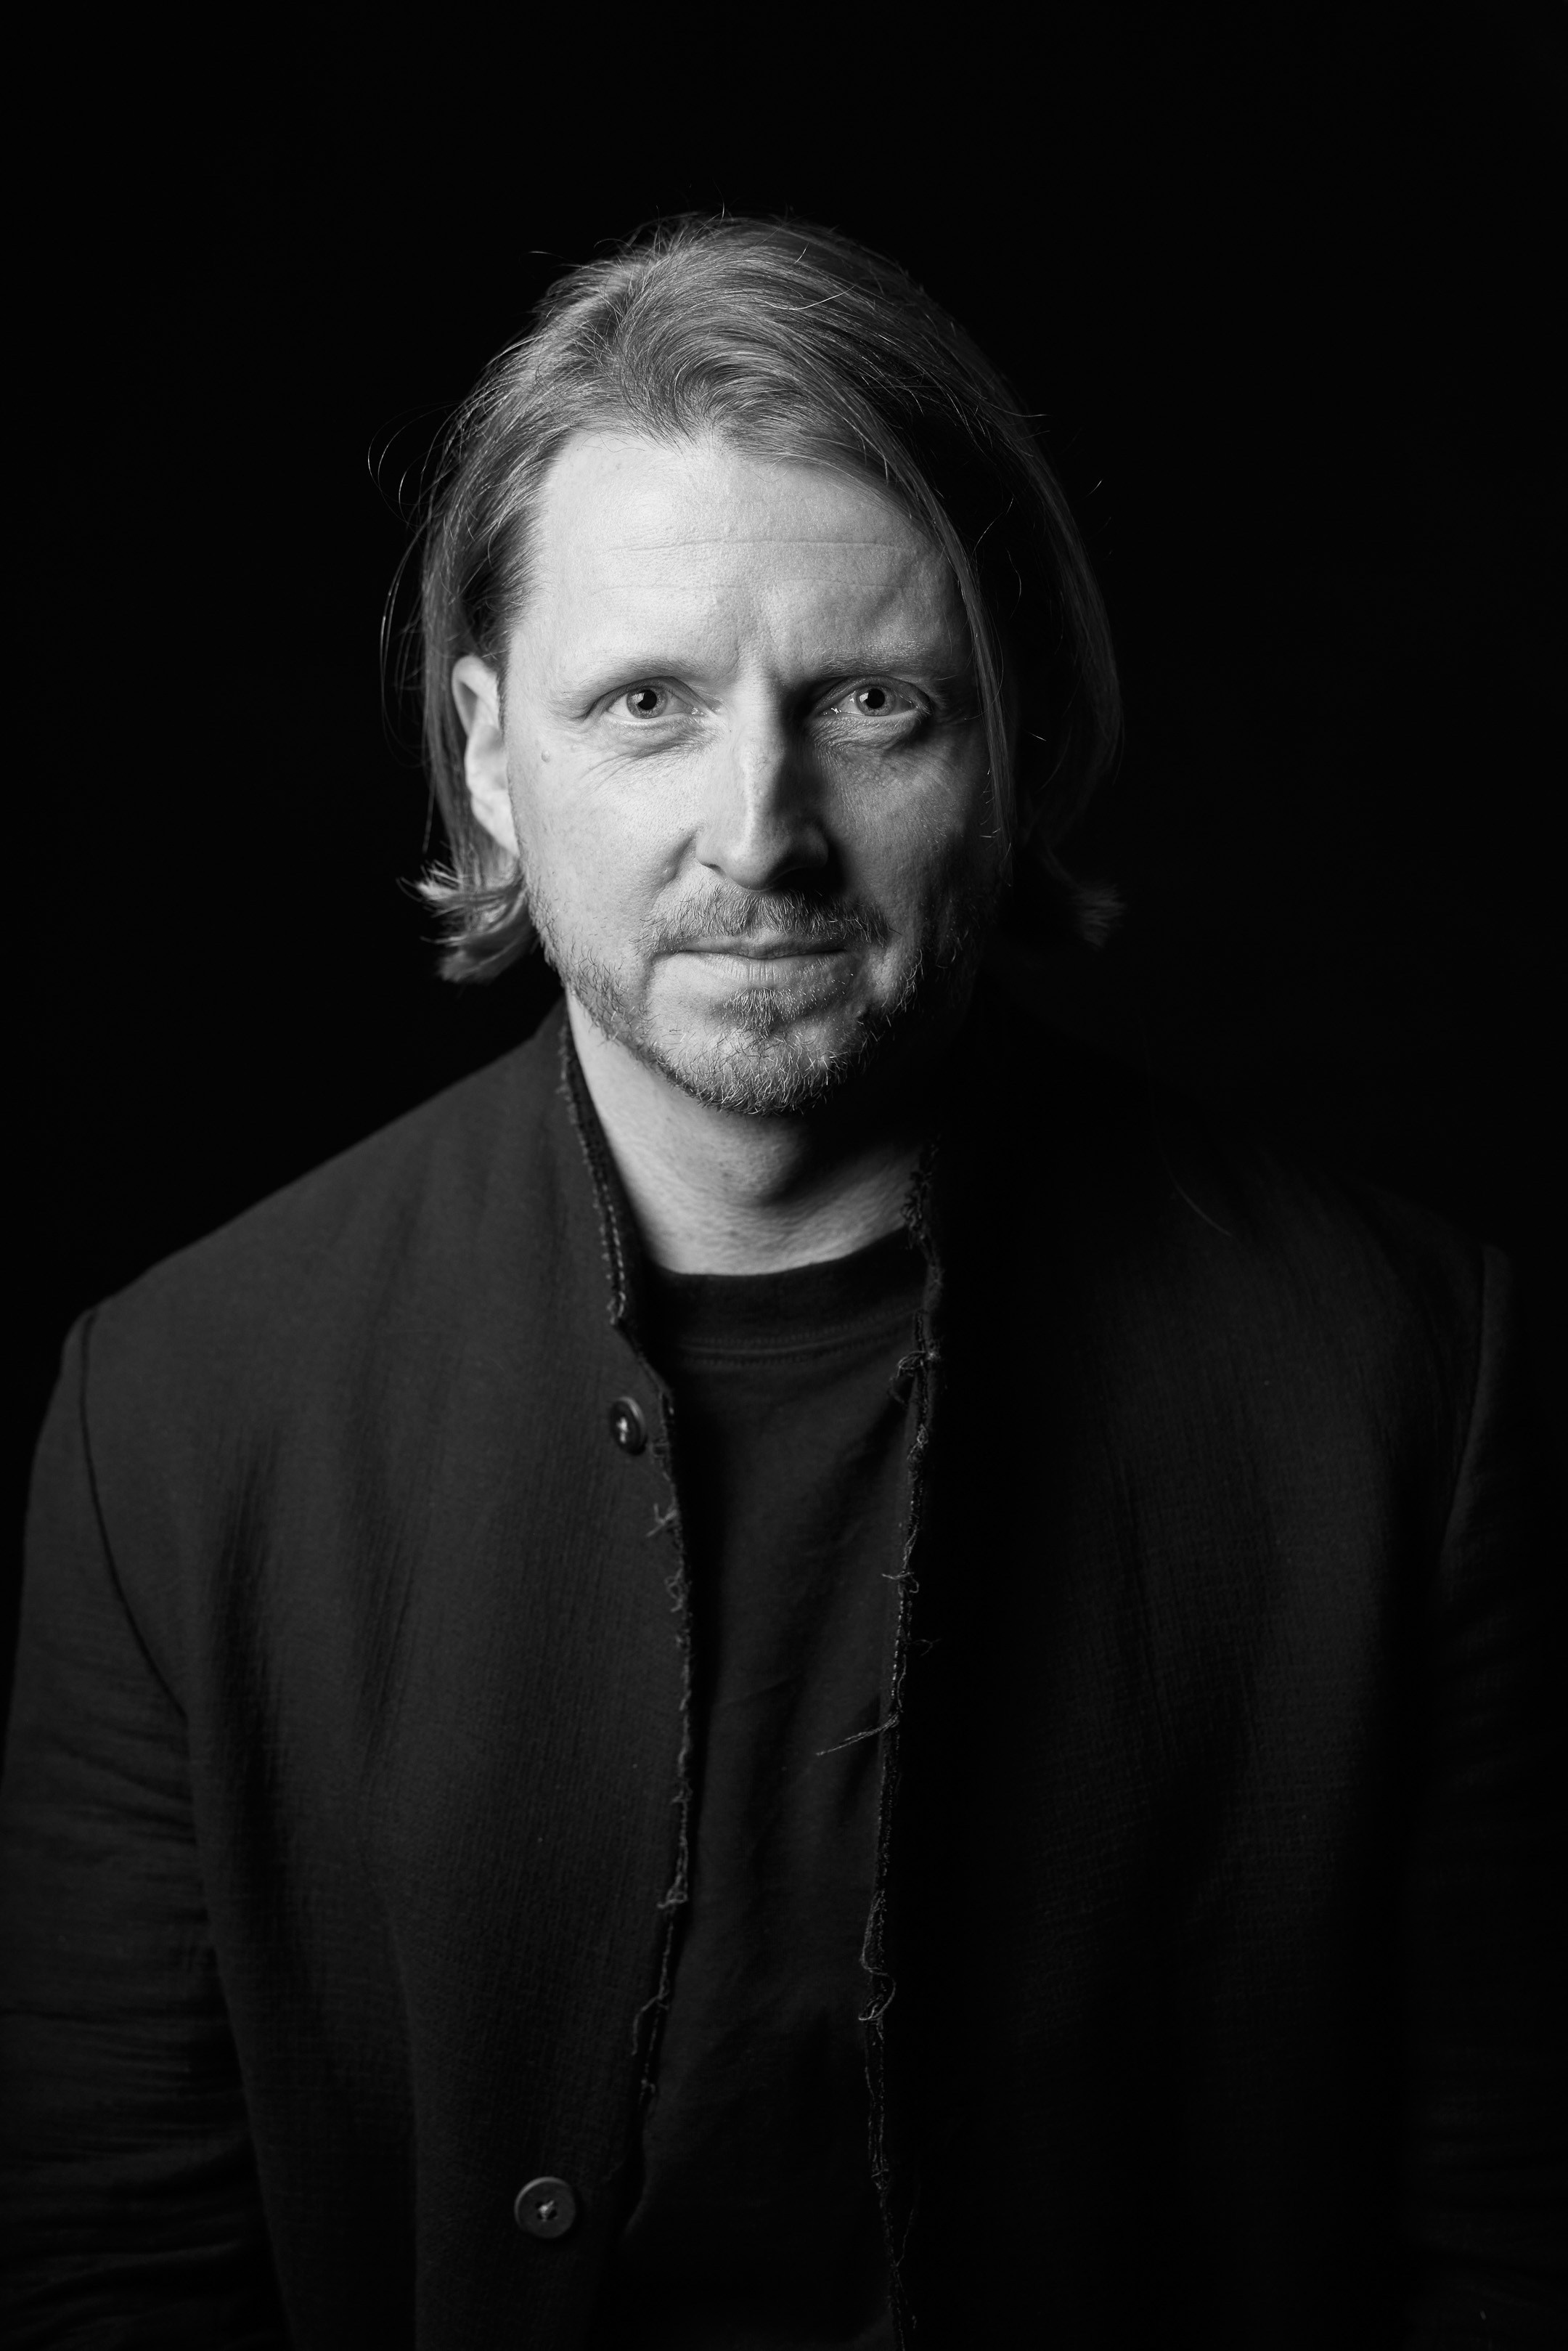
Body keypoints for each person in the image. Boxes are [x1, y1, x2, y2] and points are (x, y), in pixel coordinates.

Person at [1, 214, 1561, 2350]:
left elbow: (1510, 2251)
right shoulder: (172, 1415)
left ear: (998, 743)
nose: (765, 828)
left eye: (874, 703)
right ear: (485, 753)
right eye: (648, 700)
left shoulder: (1413, 1380)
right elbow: (111, 2275)